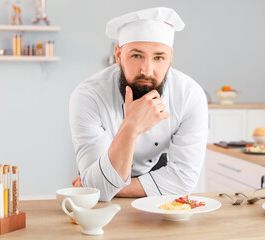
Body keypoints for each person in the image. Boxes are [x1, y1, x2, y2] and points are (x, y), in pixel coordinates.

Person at [69, 7, 208, 201]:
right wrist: (131, 127)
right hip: (103, 168)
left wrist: (105, 187)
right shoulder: (89, 96)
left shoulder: (190, 95)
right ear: (118, 55)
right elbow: (96, 189)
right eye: (136, 56)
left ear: (170, 60)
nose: (147, 70)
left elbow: (183, 180)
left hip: (156, 173)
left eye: (159, 57)